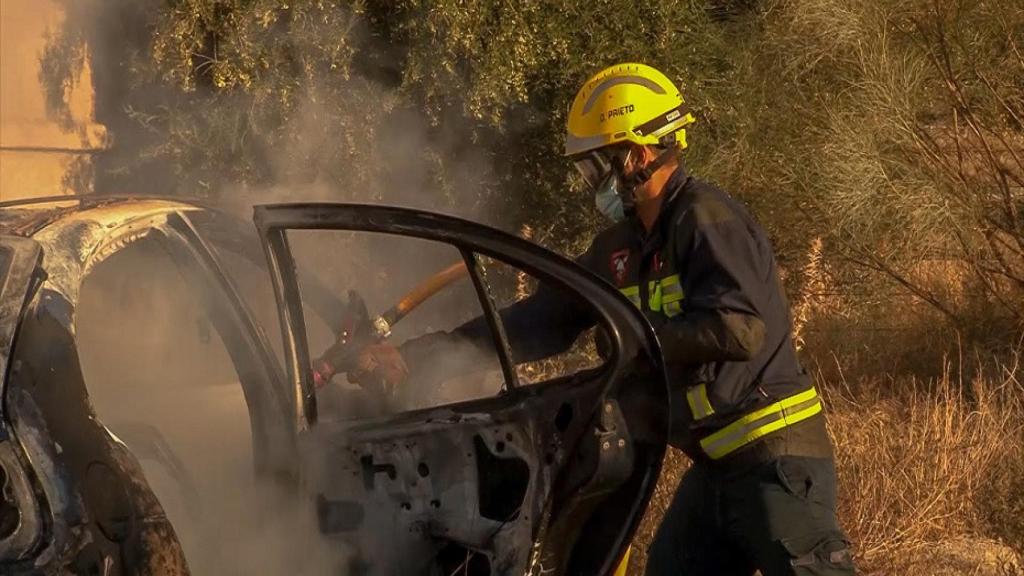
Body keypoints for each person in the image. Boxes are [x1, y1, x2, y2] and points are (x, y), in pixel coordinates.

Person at [350, 62, 856, 575]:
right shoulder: (620, 248)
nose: (592, 183)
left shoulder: (706, 218)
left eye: (596, 167)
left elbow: (740, 328)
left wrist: (635, 340)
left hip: (776, 458)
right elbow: (540, 322)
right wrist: (419, 357)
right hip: (716, 467)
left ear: (635, 155)